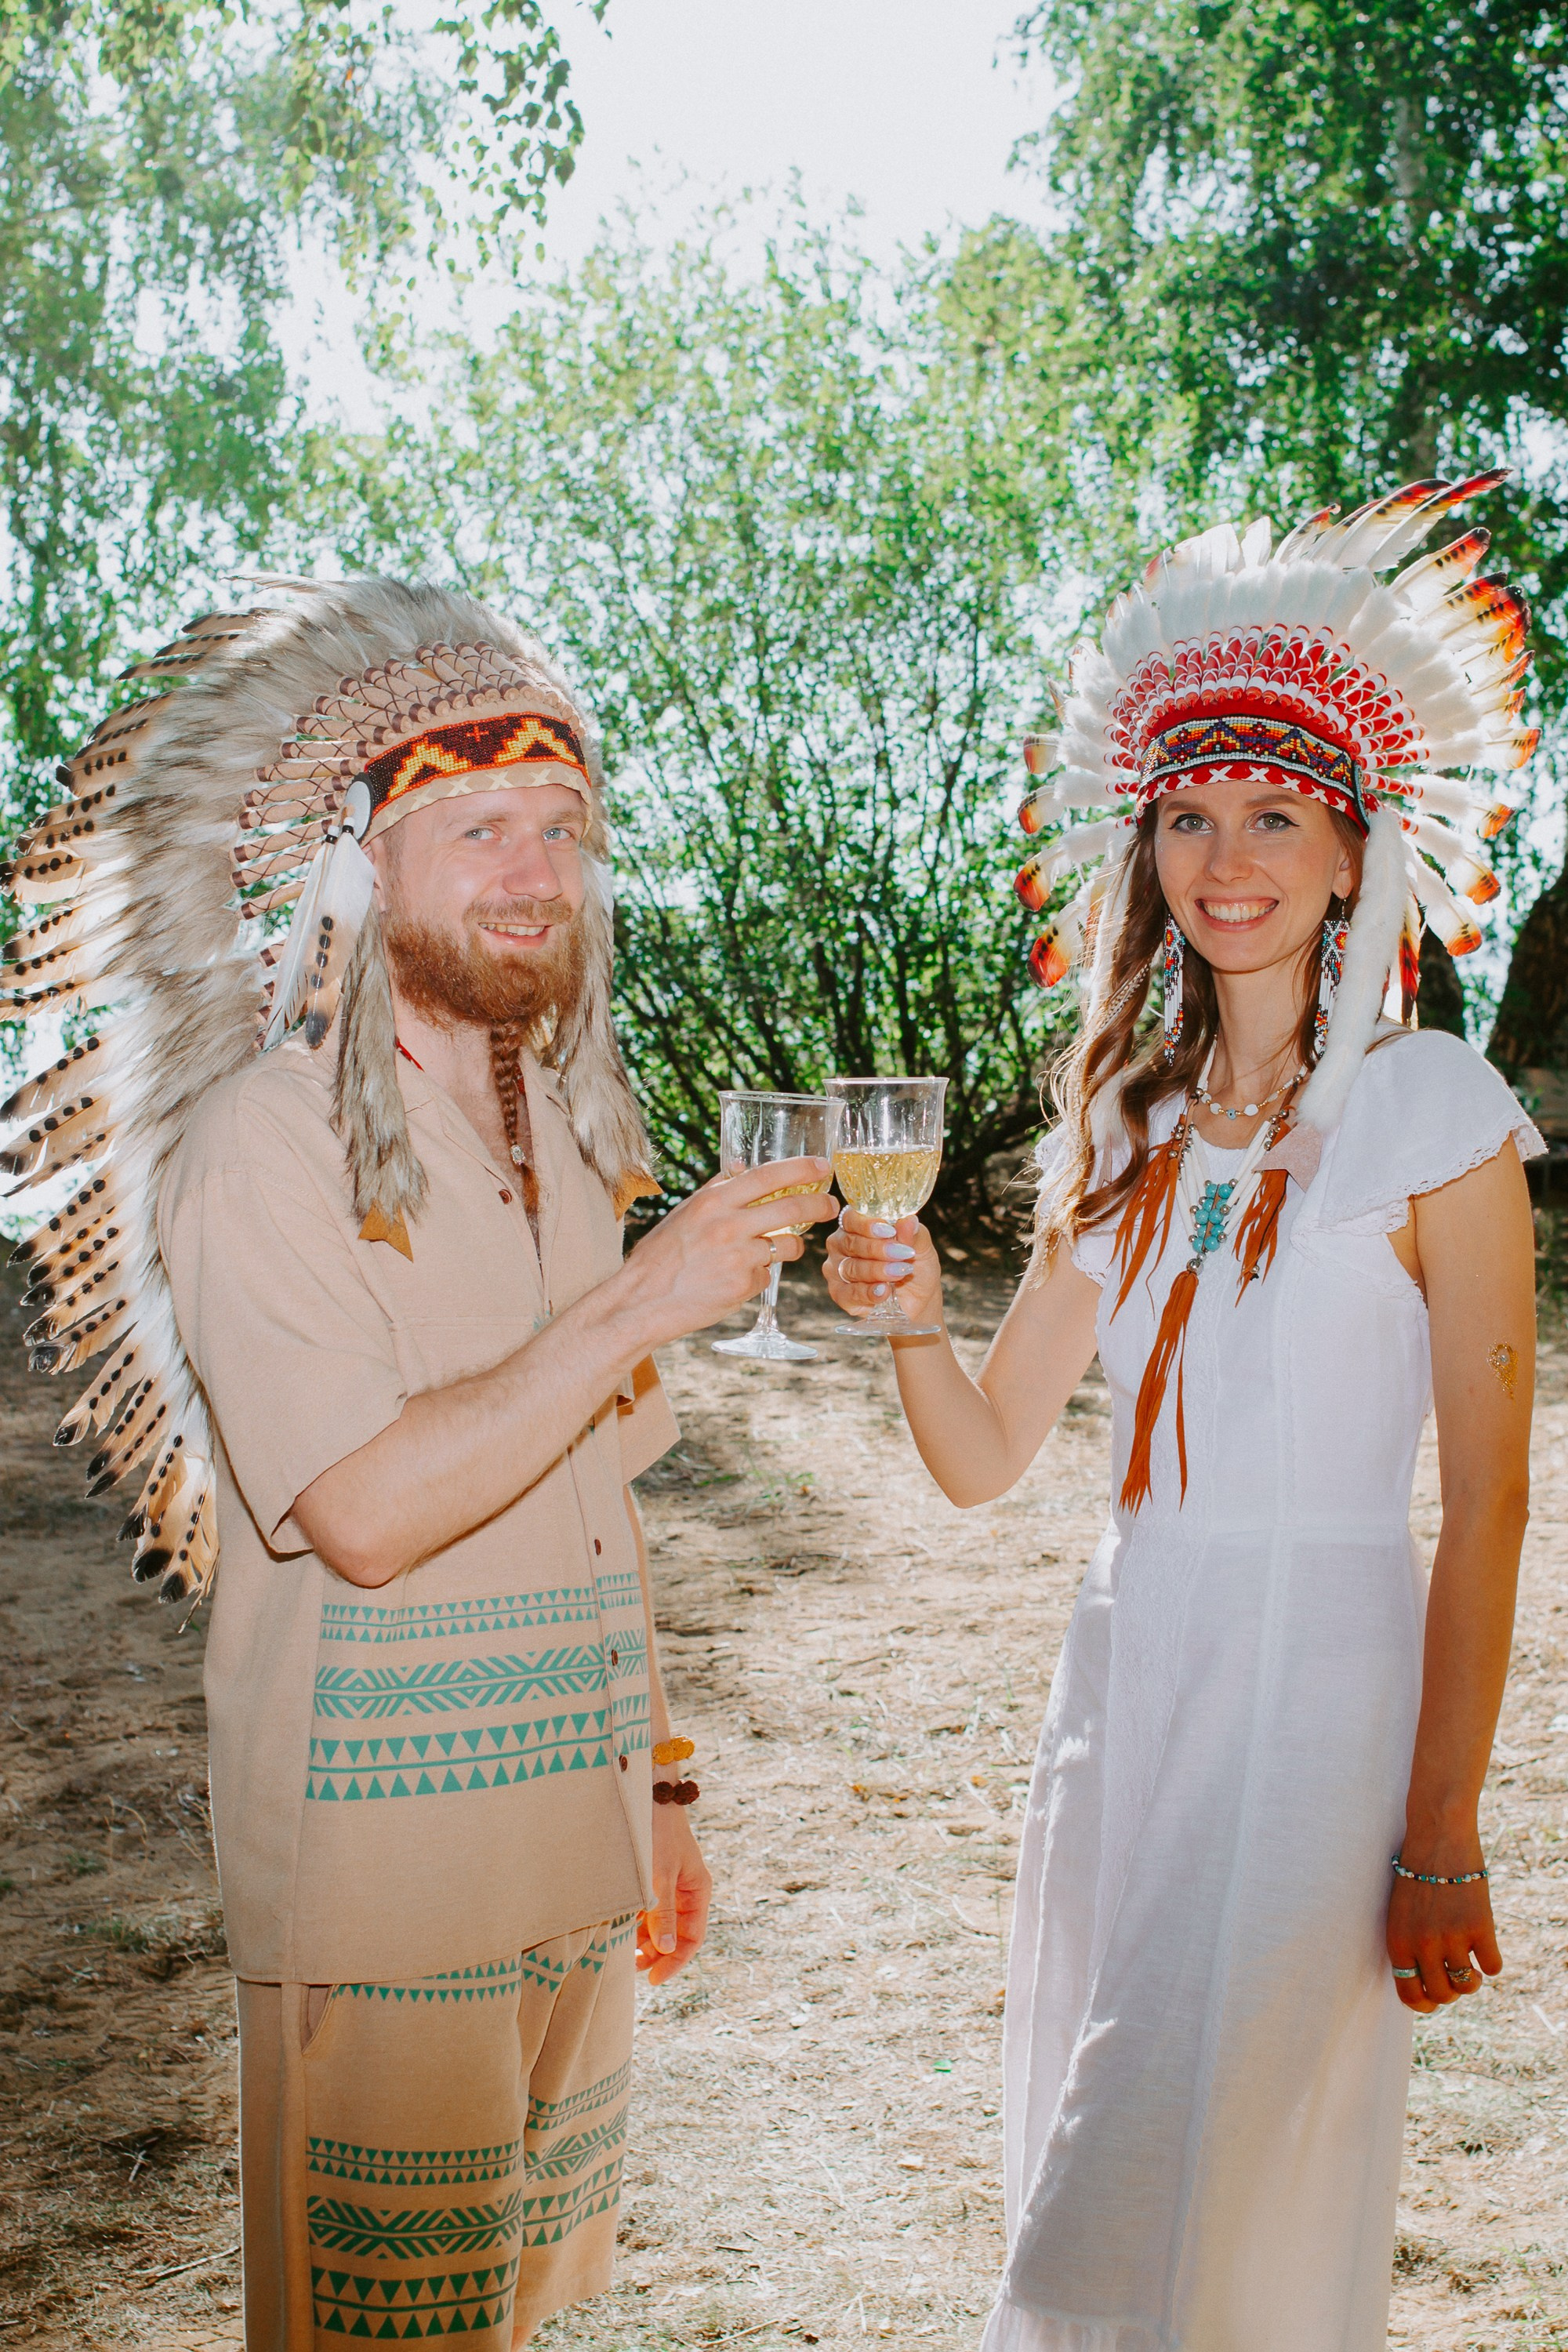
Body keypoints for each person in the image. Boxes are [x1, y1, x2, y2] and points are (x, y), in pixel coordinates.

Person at [2, 583, 835, 2347]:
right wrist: (639, 1306)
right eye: (472, 829)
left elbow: (596, 1505)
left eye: (559, 827)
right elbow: (363, 1518)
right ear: (359, 869)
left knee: (515, 2320)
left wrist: (664, 1792)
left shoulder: (574, 1132)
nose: (532, 870)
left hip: (571, 1839)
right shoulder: (264, 1145)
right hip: (388, 1873)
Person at [825, 477, 1541, 2350]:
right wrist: (908, 1321)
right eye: (1189, 817)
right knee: (1096, 2117)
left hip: (1322, 1688)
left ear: (1345, 847)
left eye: (1273, 815)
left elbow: (1485, 1508)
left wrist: (1442, 1822)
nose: (1226, 856)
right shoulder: (1123, 1128)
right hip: (1125, 1673)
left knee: (1158, 2185)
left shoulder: (1437, 1110)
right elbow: (988, 1461)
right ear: (1147, 850)